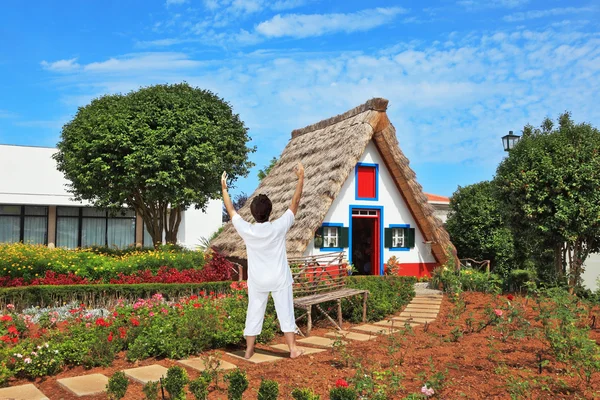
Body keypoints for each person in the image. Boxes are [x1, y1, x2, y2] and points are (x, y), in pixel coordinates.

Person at [221, 162, 305, 359]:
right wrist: (300, 178)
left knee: (254, 312)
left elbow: (231, 210)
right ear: (270, 212)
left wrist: (224, 189)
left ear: (252, 213)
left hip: (258, 280)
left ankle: (249, 350)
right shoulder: (278, 227)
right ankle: (292, 349)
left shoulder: (248, 230)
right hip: (279, 278)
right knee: (286, 312)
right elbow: (295, 202)